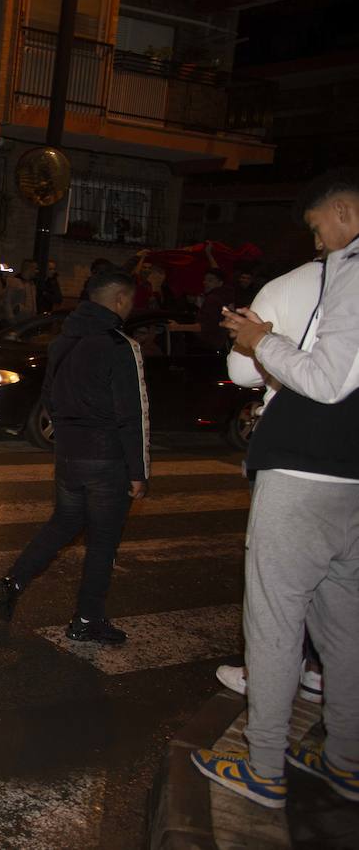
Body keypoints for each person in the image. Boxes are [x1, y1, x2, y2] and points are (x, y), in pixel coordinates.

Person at [197, 168, 359, 809]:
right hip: (352, 477)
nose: (318, 243)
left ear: (343, 211)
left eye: (319, 228)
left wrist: (261, 339)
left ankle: (263, 766)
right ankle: (346, 759)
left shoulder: (344, 271)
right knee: (344, 627)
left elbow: (324, 380)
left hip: (303, 468)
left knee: (273, 620)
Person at [0, 270, 149, 644]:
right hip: (107, 457)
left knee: (64, 522)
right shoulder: (119, 346)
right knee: (102, 541)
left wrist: (68, 437)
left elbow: (49, 396)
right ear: (120, 300)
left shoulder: (63, 341)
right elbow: (133, 412)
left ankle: (13, 581)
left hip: (69, 455)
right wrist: (138, 469)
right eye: (131, 300)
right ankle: (87, 619)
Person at [212, 250, 328, 708]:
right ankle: (319, 671)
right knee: (338, 580)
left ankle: (264, 683)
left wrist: (261, 341)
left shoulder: (288, 285)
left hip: (293, 451)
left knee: (278, 584)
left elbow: (242, 372)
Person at [194, 267, 234, 353]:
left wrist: (178, 327)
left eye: (210, 280)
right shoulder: (226, 297)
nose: (205, 282)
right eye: (205, 280)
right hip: (223, 344)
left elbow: (206, 326)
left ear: (220, 283)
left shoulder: (213, 299)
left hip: (210, 344)